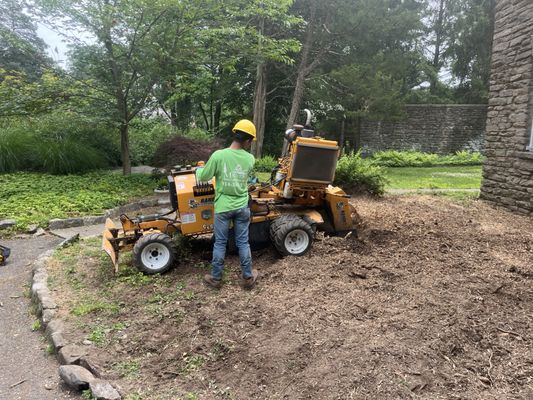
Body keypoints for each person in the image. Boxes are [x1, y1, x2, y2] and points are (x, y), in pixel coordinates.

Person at [196, 119, 258, 289]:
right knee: (243, 242)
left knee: (220, 243)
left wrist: (199, 168)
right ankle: (247, 277)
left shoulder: (219, 155)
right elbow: (249, 177)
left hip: (223, 207)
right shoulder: (250, 159)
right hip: (241, 206)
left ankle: (216, 278)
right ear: (248, 140)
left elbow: (203, 177)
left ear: (235, 135)